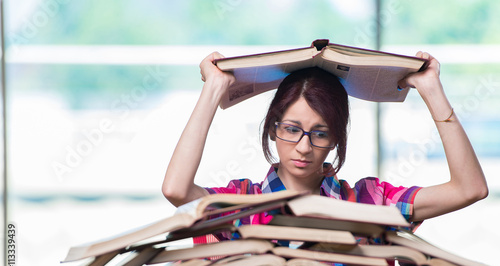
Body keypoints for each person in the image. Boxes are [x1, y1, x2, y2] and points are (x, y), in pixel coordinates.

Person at [162, 50, 488, 235]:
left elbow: (469, 189)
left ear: (336, 139)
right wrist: (213, 89)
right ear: (273, 128)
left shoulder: (370, 202)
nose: (304, 147)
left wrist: (432, 89)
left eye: (320, 133)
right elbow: (176, 190)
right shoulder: (241, 202)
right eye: (291, 129)